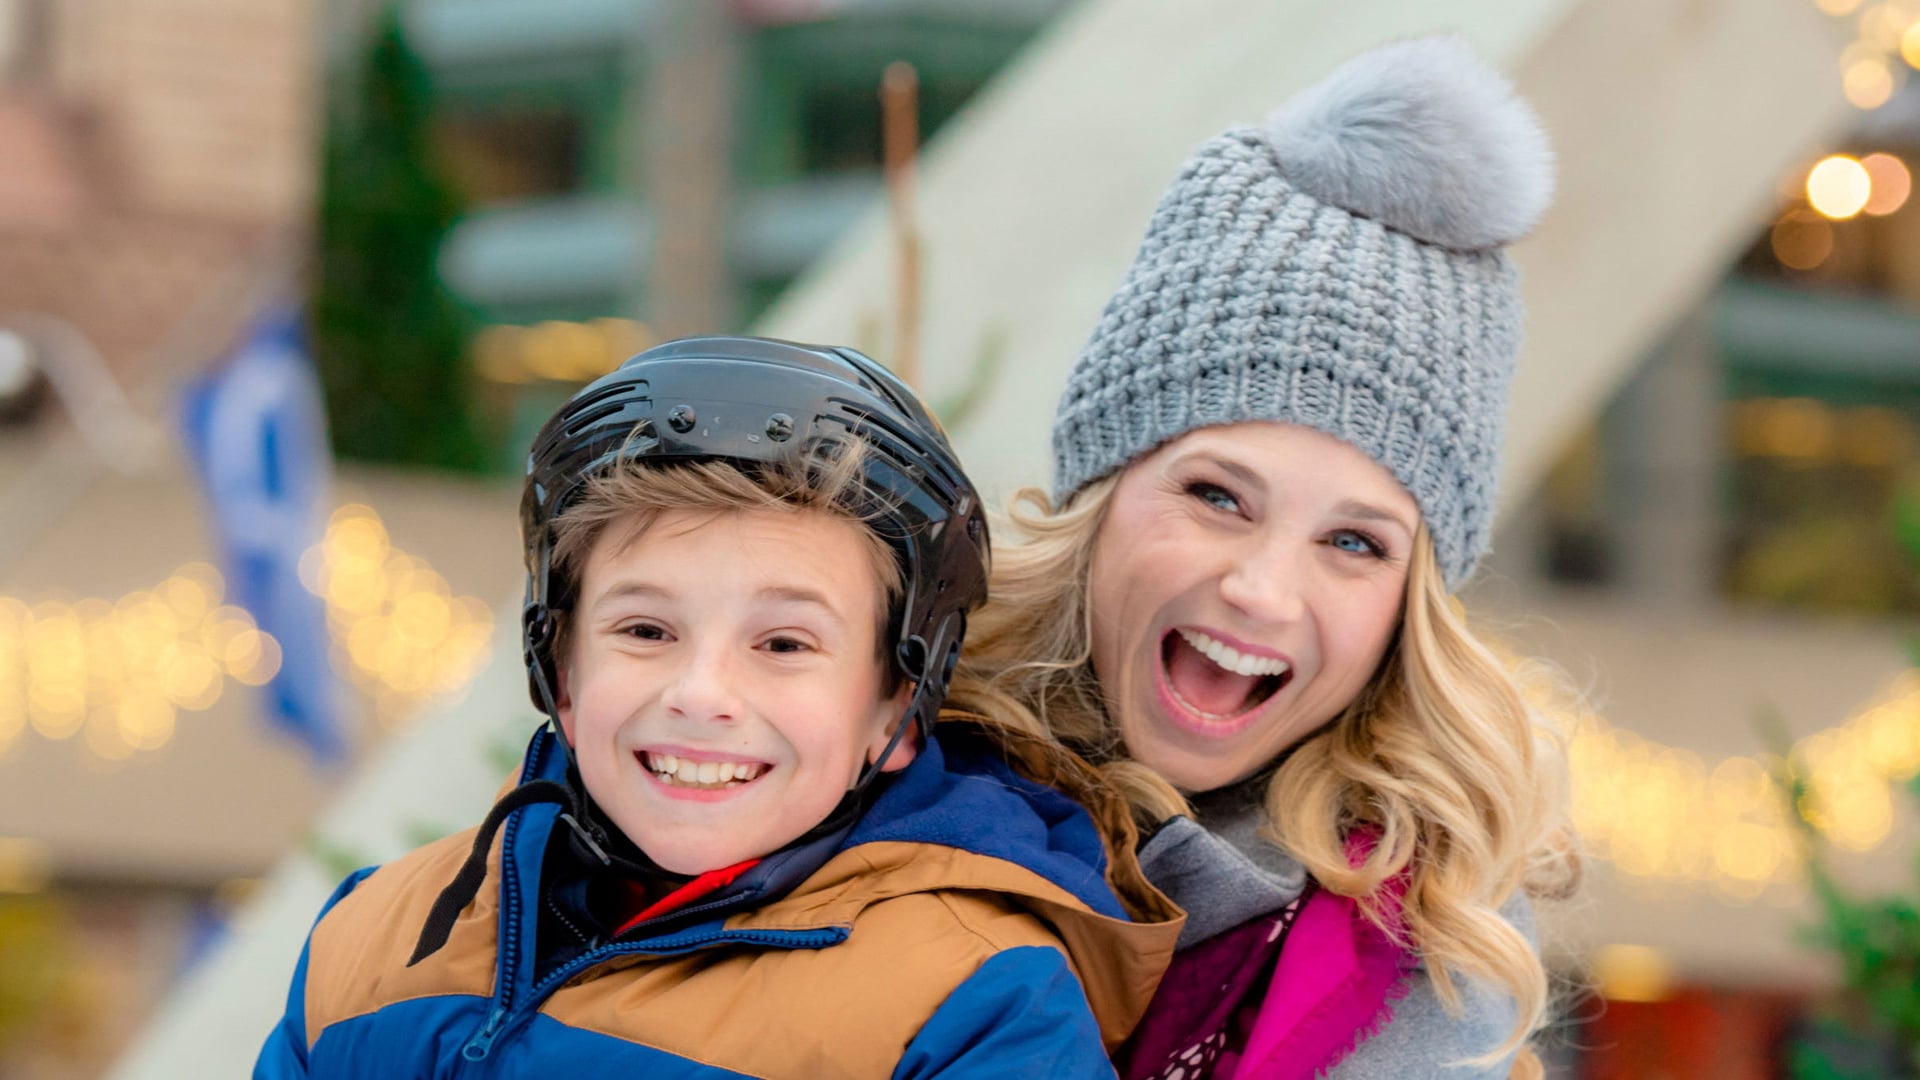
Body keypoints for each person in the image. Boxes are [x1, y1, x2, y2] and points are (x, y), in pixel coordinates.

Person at [254, 336, 1181, 1078]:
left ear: (894, 706)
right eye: (646, 631)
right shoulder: (373, 938)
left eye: (783, 645)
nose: (701, 694)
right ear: (560, 670)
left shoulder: (975, 1006)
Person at [948, 38, 1580, 1079]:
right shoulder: (862, 770)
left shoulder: (1433, 971)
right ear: (1105, 493)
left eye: (1352, 542)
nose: (1262, 589)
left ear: (1406, 604)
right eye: (1216, 496)